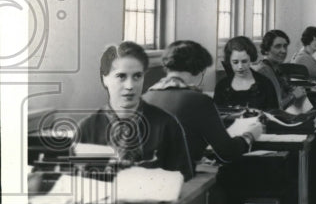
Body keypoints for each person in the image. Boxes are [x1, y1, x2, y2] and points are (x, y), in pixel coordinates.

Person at [76, 41, 193, 179]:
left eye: (137, 76)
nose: (130, 86)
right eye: (121, 76)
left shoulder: (166, 124)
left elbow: (183, 180)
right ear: (105, 79)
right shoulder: (86, 128)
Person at [143, 39, 263, 164]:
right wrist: (250, 135)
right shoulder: (199, 101)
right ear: (199, 70)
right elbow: (228, 153)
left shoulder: (146, 97)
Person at [214, 35, 280, 111]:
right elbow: (216, 118)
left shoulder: (265, 84)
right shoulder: (222, 86)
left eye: (244, 61)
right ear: (229, 61)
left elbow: (274, 116)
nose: (240, 66)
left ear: (251, 59)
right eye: (235, 62)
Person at [256, 29, 311, 111]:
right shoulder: (264, 71)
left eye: (285, 46)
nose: (283, 51)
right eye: (278, 46)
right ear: (266, 50)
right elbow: (275, 106)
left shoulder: (276, 68)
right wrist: (294, 95)